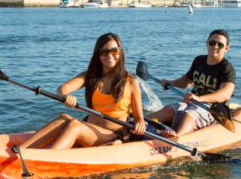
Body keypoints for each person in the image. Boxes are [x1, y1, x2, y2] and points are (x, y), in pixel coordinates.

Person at [18, 33, 148, 149]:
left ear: (120, 53)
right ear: (98, 55)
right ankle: (20, 151)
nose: (109, 55)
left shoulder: (131, 81)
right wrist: (66, 96)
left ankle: (46, 159)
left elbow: (139, 119)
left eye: (114, 51)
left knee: (75, 124)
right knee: (63, 118)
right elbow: (61, 89)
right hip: (89, 128)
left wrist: (140, 125)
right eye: (104, 52)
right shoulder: (90, 76)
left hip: (111, 135)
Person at [148, 29, 236, 137]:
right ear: (207, 43)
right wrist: (170, 83)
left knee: (189, 115)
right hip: (192, 101)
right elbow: (187, 81)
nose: (215, 46)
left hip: (212, 108)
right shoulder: (199, 60)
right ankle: (138, 124)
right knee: (168, 109)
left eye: (220, 45)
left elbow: (225, 94)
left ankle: (176, 137)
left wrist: (200, 99)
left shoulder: (227, 68)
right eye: (212, 43)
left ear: (226, 49)